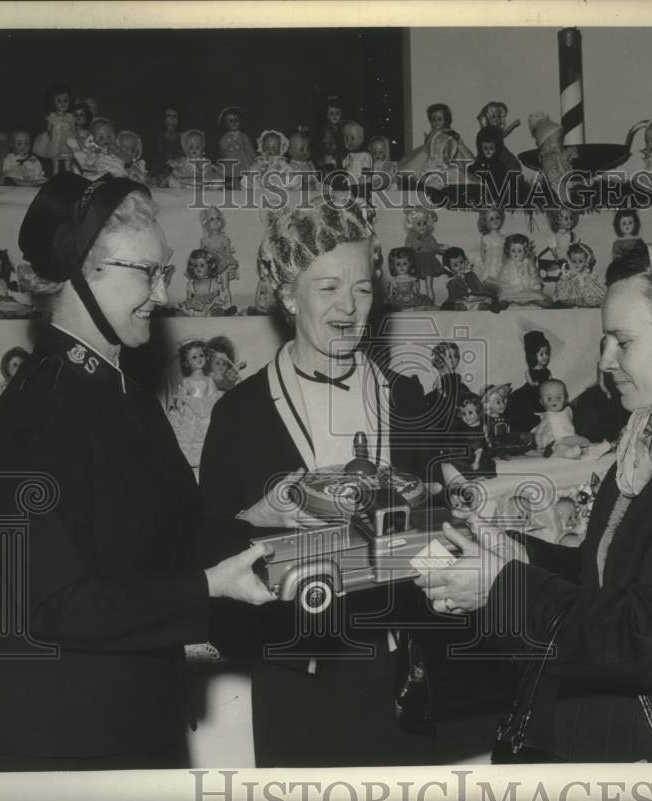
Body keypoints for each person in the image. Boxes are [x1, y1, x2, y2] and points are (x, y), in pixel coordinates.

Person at [417, 240, 652, 762]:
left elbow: (643, 638)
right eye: (604, 342)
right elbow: (613, 576)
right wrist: (518, 556)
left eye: (621, 341)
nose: (605, 361)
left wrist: (502, 590)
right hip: (621, 733)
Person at [0, 173, 275, 772]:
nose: (163, 295)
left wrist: (288, 539)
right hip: (66, 748)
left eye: (164, 272)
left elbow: (181, 531)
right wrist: (207, 588)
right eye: (149, 272)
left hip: (138, 725)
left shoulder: (126, 395)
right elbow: (50, 604)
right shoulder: (42, 406)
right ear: (87, 270)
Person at [199, 199, 496, 767]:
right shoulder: (241, 413)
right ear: (287, 294)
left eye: (362, 289)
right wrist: (255, 519)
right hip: (297, 675)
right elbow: (205, 546)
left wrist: (450, 535)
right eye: (328, 287)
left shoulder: (405, 397)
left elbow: (445, 525)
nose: (348, 308)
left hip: (401, 669)